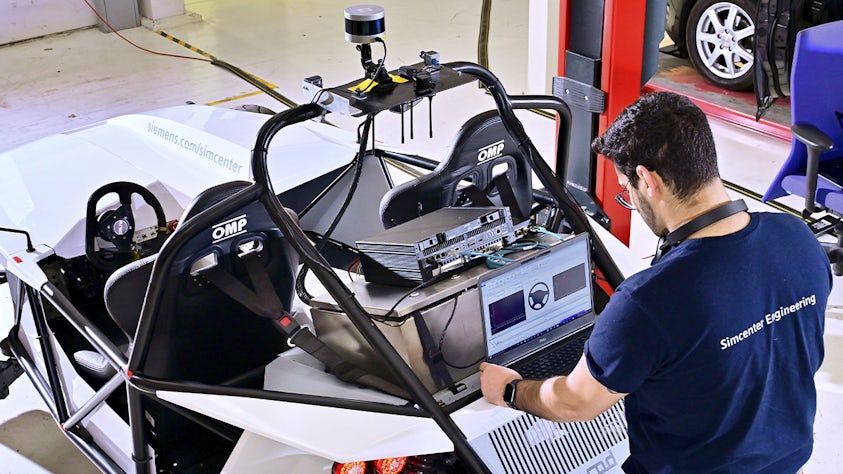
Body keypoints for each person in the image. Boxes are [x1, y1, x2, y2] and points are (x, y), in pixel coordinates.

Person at [479, 91, 832, 473]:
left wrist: (511, 390)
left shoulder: (649, 300)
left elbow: (574, 402)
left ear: (646, 180)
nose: (630, 197)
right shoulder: (798, 237)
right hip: (787, 458)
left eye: (626, 189)